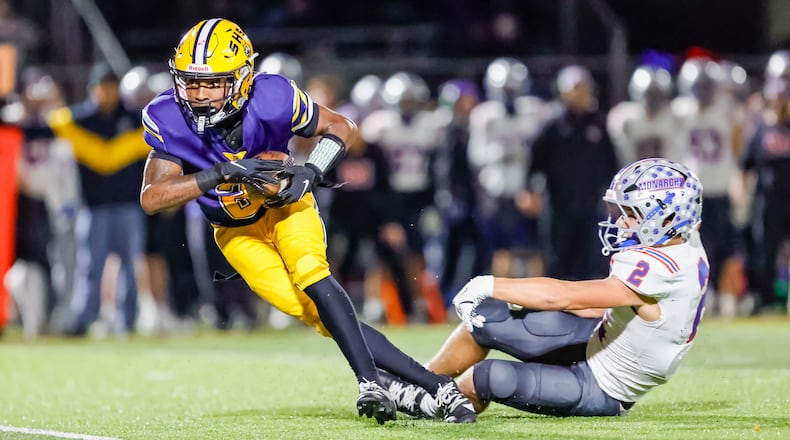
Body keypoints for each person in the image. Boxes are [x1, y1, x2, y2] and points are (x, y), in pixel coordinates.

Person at [138, 18, 475, 424]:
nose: (199, 94)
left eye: (213, 83)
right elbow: (153, 198)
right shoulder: (168, 115)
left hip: (284, 207)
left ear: (243, 78)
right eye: (191, 82)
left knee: (312, 273)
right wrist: (221, 174)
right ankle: (429, 385)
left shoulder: (272, 95)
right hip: (235, 232)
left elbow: (342, 126)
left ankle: (373, 382)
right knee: (320, 315)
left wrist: (312, 171)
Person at [380, 157, 708, 418]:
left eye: (632, 214)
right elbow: (594, 305)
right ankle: (420, 380)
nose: (621, 222)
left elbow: (564, 295)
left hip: (602, 386)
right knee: (486, 317)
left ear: (666, 220)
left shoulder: (662, 266)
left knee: (485, 378)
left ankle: (423, 404)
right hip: (598, 337)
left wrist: (489, 283)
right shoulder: (683, 243)